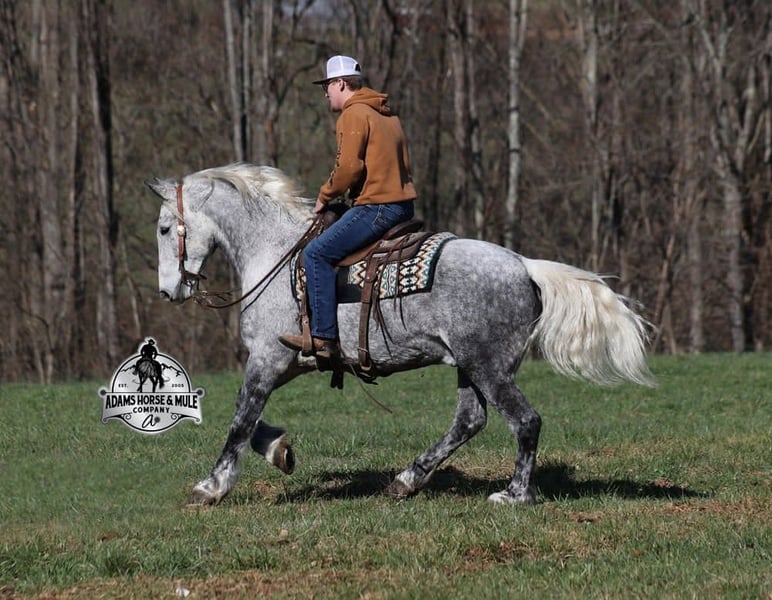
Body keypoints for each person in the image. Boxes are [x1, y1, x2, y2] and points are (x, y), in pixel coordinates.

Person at [279, 55, 417, 361]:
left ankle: (323, 338)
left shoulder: (354, 115)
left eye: (327, 86)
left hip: (377, 208)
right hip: (403, 207)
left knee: (316, 253)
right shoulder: (387, 114)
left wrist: (324, 195)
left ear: (341, 83)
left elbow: (348, 169)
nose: (326, 94)